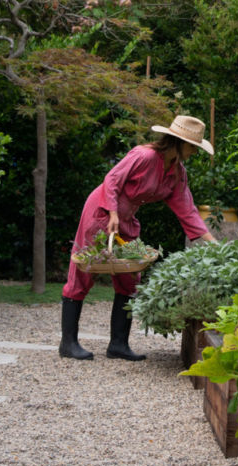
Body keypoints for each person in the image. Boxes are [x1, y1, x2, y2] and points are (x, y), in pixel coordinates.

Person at [59, 115, 216, 361]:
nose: (194, 152)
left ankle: (118, 345)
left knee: (131, 278)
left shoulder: (176, 172)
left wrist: (212, 243)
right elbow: (112, 179)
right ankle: (68, 343)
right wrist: (111, 212)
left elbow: (187, 209)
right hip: (102, 212)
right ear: (177, 142)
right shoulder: (144, 156)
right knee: (84, 269)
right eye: (192, 147)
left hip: (127, 219)